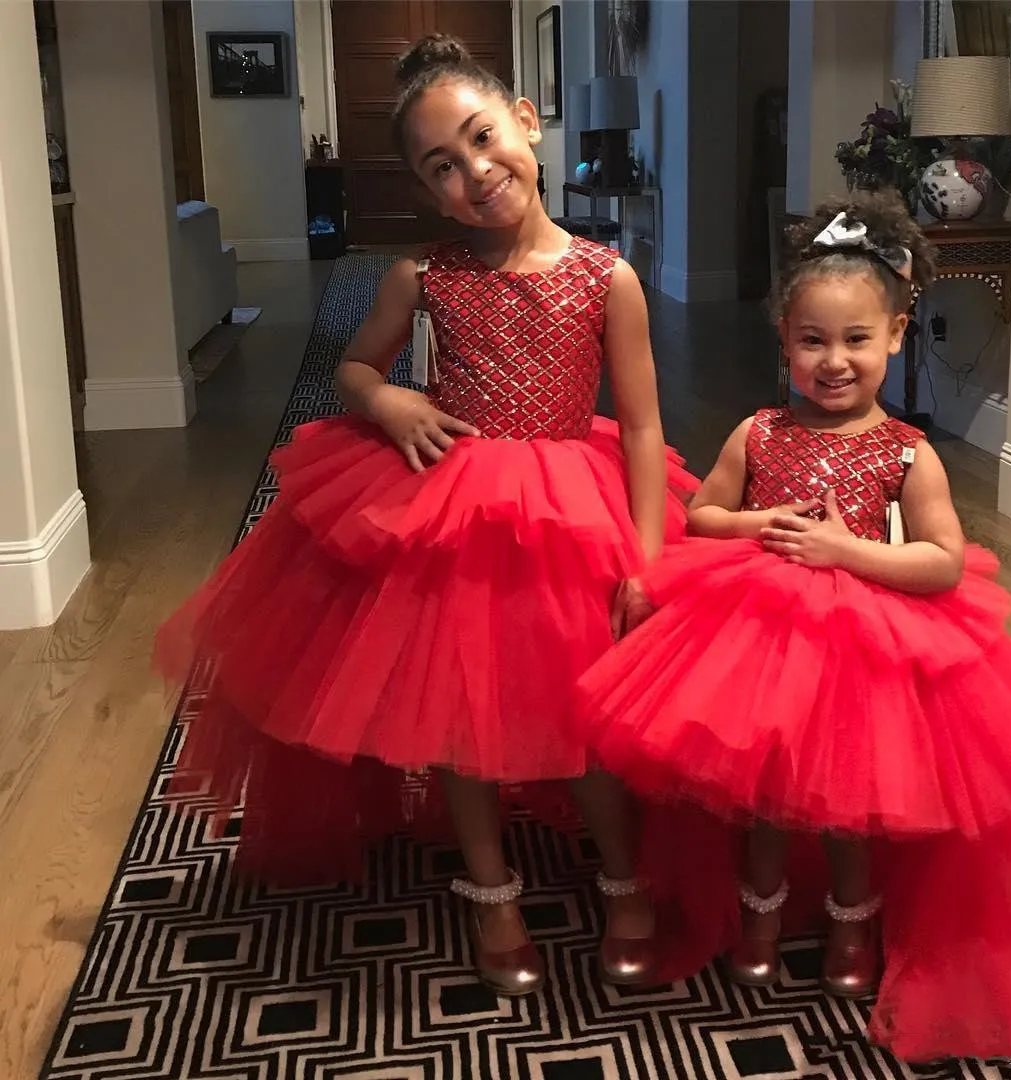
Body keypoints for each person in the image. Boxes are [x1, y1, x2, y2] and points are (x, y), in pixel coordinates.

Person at [155, 34, 696, 997]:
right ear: (423, 188)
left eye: (483, 140)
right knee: (457, 698)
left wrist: (647, 560)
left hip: (577, 506)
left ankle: (626, 880)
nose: (475, 175)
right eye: (441, 168)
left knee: (586, 702)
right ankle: (489, 888)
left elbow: (646, 427)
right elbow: (354, 366)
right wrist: (387, 400)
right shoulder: (422, 275)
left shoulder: (606, 277)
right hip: (451, 502)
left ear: (527, 122)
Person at [575, 190, 1011, 1061]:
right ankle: (762, 918)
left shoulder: (907, 450)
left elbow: (942, 560)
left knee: (853, 801)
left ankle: (853, 926)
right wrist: (762, 529)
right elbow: (705, 518)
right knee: (764, 795)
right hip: (756, 632)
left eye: (856, 340)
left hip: (863, 639)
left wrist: (846, 553)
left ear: (895, 334)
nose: (834, 361)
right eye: (812, 340)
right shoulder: (760, 429)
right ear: (784, 341)